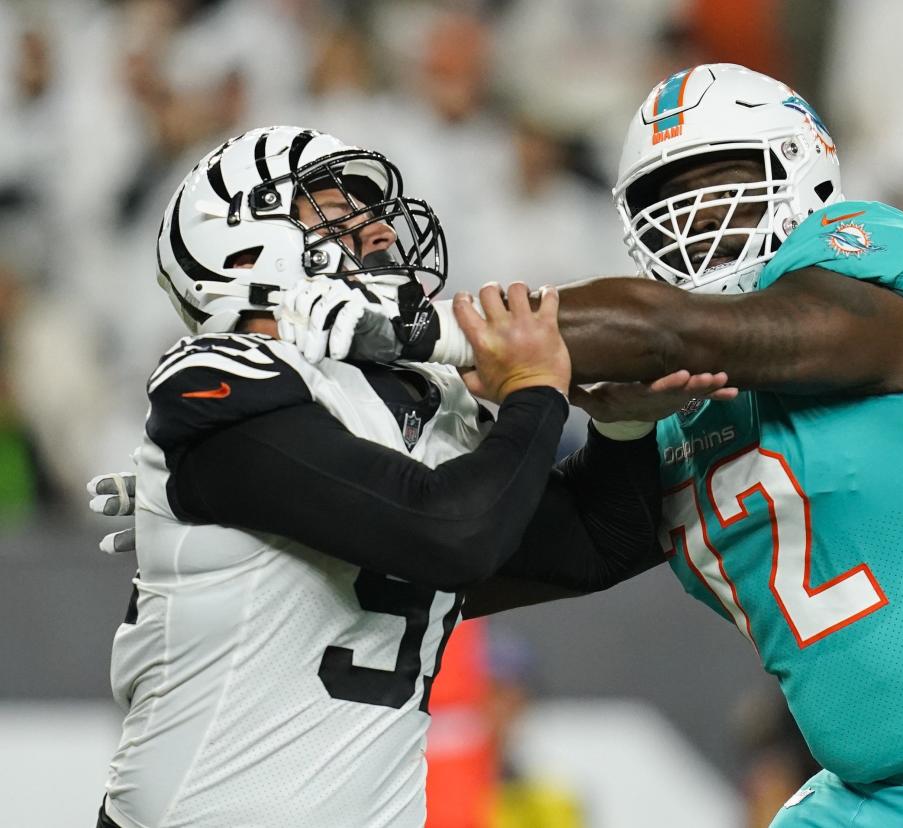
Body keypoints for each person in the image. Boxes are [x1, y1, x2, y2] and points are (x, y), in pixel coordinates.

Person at [283, 64, 903, 826]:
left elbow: (686, 331)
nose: (696, 211)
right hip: (862, 794)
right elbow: (520, 545)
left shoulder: (871, 267)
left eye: (725, 175)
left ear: (802, 167)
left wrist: (421, 331)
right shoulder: (672, 408)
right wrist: (292, 528)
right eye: (666, 195)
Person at [89, 125, 726, 828]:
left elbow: (597, 541)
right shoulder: (220, 377)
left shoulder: (416, 399)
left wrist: (623, 425)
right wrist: (537, 390)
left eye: (373, 214)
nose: (381, 234)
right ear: (239, 247)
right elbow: (450, 534)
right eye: (333, 213)